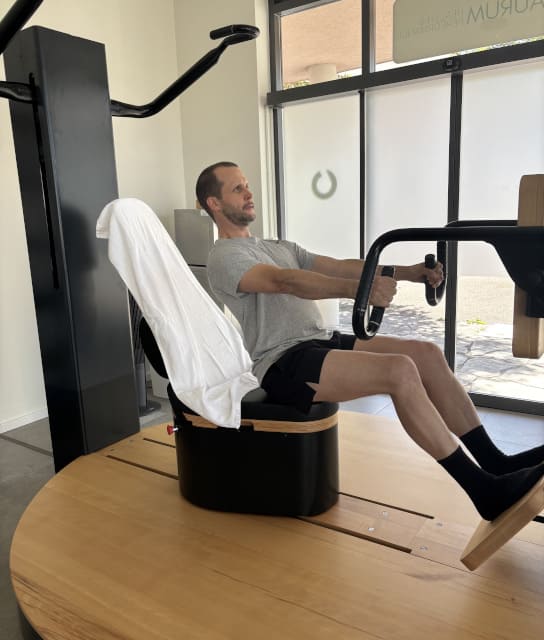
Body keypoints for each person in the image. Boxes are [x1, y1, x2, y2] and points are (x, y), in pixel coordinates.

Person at [196, 161, 544, 521]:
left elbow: (340, 266)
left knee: (424, 353)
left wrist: (409, 273)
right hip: (282, 361)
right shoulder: (224, 256)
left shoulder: (277, 245)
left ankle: (494, 461)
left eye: (247, 184)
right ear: (214, 204)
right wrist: (359, 291)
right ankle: (483, 490)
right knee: (399, 371)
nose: (249, 192)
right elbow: (284, 282)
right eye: (237, 188)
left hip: (319, 341)